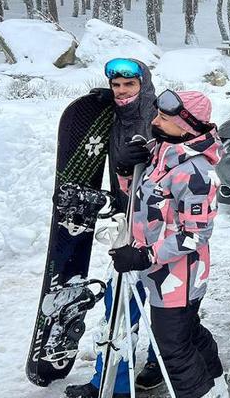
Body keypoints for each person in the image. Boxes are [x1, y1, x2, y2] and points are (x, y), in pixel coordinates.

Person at [107, 90, 227, 398]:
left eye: (164, 118)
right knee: (188, 332)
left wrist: (144, 256)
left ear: (186, 126)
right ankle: (216, 385)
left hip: (178, 278)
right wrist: (125, 169)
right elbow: (140, 197)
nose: (155, 121)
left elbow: (197, 234)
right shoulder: (162, 150)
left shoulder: (195, 172)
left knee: (172, 346)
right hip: (157, 271)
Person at [65, 58, 162, 398]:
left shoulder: (158, 113)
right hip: (127, 220)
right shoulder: (118, 114)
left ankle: (151, 367)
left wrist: (147, 157)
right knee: (121, 302)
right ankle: (113, 382)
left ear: (143, 84)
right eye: (116, 86)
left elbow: (177, 162)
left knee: (159, 303)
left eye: (129, 86)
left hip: (156, 225)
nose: (121, 92)